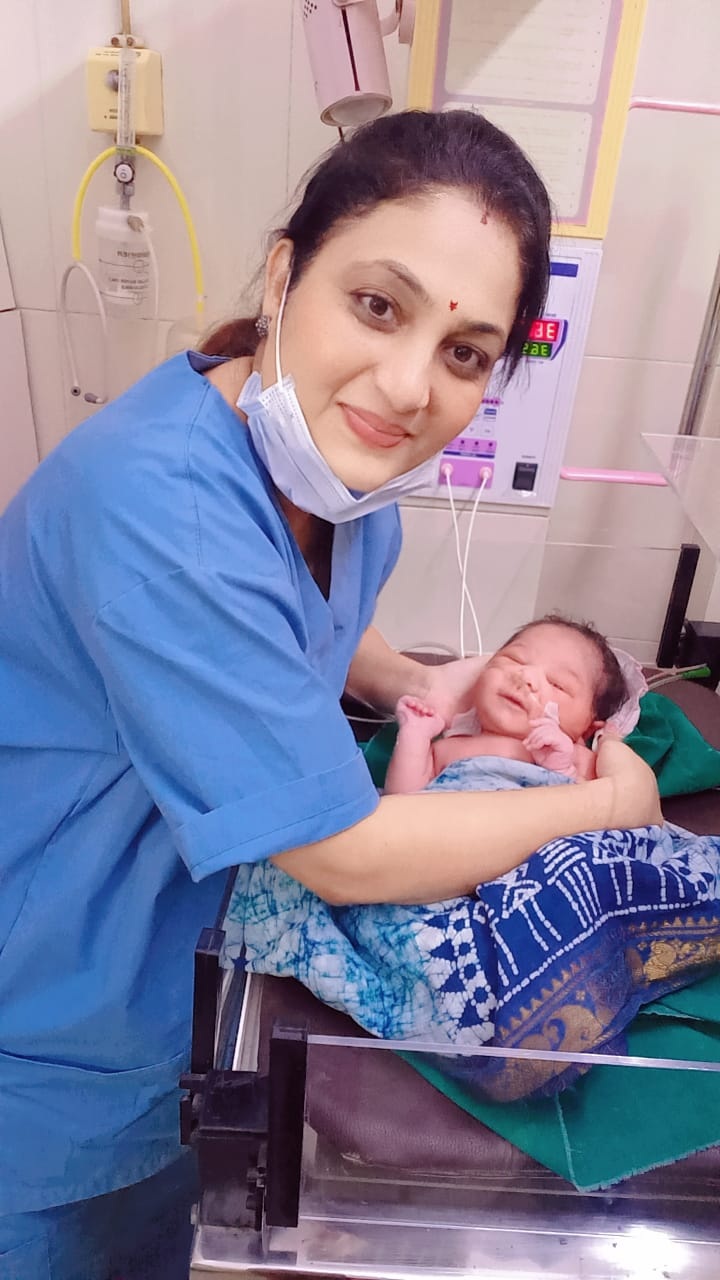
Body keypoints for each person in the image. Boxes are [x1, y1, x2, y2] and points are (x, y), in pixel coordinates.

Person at [0, 109, 661, 1278]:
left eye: (466, 354)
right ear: (284, 274)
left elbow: (294, 614)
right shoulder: (161, 504)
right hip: (50, 1037)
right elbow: (346, 852)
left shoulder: (335, 480)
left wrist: (406, 678)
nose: (408, 385)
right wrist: (607, 805)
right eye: (377, 305)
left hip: (179, 1009)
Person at [384, 616, 629, 794]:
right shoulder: (448, 748)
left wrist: (563, 772)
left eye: (558, 684)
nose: (525, 677)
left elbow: (602, 813)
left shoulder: (578, 758)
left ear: (587, 728)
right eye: (515, 659)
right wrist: (414, 736)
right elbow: (402, 803)